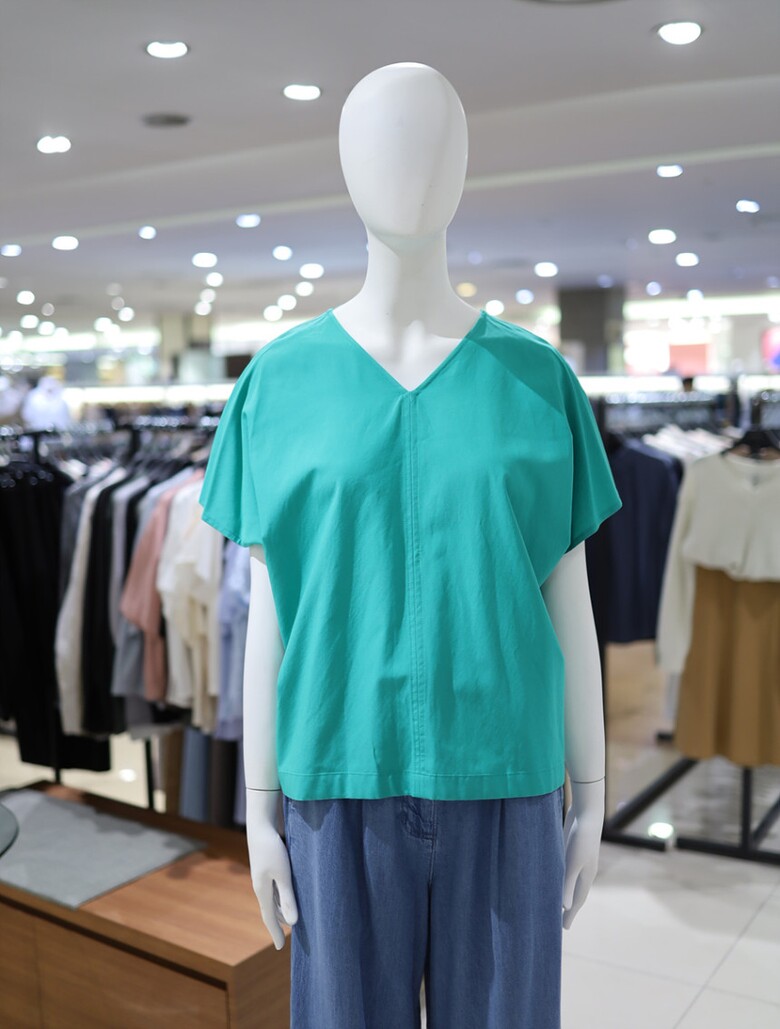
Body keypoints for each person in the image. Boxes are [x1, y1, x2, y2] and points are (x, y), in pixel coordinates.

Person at [200, 62, 621, 1029]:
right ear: (345, 167)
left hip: (506, 778)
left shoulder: (537, 380)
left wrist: (594, 794)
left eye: (438, 143)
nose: (414, 170)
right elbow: (270, 613)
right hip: (335, 781)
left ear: (467, 166)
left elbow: (572, 604)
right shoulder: (278, 384)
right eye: (387, 144)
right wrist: (257, 807)